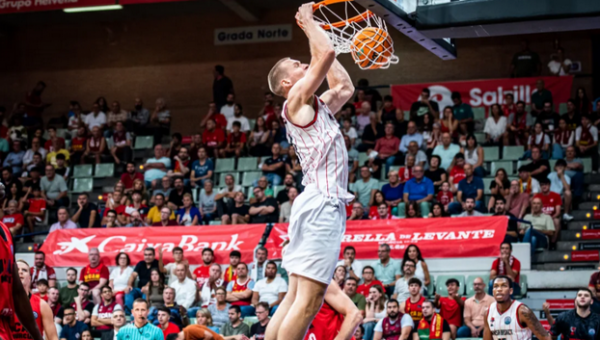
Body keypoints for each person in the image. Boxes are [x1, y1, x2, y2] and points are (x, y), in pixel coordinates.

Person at [266, 5, 357, 338]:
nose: (303, 64)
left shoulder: (311, 106)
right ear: (288, 82)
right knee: (309, 301)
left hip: (313, 201)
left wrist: (318, 38)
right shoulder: (295, 99)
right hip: (322, 204)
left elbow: (344, 87)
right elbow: (327, 53)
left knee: (295, 296)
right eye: (296, 65)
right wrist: (308, 23)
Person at [484, 276, 551, 340]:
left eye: (504, 286)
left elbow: (546, 338)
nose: (499, 289)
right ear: (493, 292)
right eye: (496, 286)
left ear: (511, 291)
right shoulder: (488, 312)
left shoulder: (523, 311)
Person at [12, 260, 58, 340]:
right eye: (17, 269)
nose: (20, 272)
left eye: (24, 270)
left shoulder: (42, 305)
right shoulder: (3, 303)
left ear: (29, 278)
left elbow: (53, 337)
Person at [125, 248, 159, 312]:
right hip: (139, 289)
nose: (147, 257)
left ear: (154, 256)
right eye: (146, 255)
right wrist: (129, 285)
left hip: (151, 289)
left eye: (150, 255)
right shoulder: (141, 263)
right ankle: (130, 312)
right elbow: (133, 275)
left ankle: (143, 312)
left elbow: (156, 278)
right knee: (129, 291)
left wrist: (147, 286)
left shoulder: (157, 264)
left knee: (146, 291)